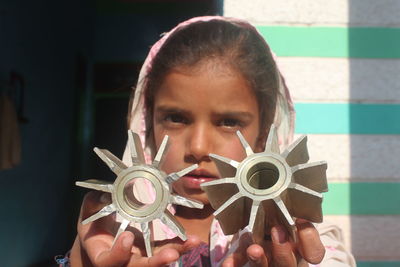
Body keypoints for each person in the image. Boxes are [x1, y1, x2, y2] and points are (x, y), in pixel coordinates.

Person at [69, 16, 356, 267]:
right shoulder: (114, 234)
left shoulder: (300, 242)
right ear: (147, 121)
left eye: (229, 122)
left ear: (264, 134)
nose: (198, 148)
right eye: (176, 118)